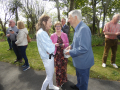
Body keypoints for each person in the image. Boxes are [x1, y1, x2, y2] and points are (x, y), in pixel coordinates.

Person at [65, 10, 94, 90]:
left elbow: (84, 48)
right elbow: (76, 42)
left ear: (75, 17)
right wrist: (71, 46)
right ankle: (78, 86)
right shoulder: (77, 28)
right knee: (79, 76)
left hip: (84, 62)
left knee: (83, 81)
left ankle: (81, 87)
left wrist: (70, 52)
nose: (68, 20)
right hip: (79, 61)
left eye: (69, 18)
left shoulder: (83, 29)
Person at [36, 14, 59, 90]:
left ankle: (51, 86)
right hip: (47, 57)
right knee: (49, 75)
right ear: (44, 22)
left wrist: (52, 44)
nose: (51, 24)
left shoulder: (42, 32)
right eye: (50, 22)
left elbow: (48, 44)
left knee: (50, 73)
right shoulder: (42, 33)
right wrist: (53, 45)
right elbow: (50, 49)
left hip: (49, 56)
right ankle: (43, 88)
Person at [50, 21, 69, 87]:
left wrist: (63, 44)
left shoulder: (64, 35)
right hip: (56, 55)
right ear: (54, 27)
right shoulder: (52, 35)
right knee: (58, 69)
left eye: (59, 26)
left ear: (61, 27)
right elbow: (50, 44)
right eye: (56, 26)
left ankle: (64, 79)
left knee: (63, 68)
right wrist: (55, 44)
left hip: (63, 54)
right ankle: (59, 82)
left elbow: (67, 44)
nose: (58, 27)